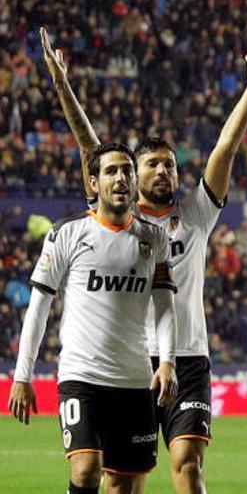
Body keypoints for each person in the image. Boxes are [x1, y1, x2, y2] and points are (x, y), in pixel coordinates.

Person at [40, 25, 247, 493]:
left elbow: (225, 148)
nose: (164, 170)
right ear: (133, 172)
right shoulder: (121, 219)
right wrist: (63, 85)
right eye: (152, 163)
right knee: (121, 482)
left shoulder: (196, 214)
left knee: (188, 464)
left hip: (188, 359)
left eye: (170, 163)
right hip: (129, 363)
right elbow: (91, 148)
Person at [8, 143, 178, 494]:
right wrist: (22, 375)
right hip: (81, 376)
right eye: (111, 171)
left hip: (134, 380)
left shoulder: (155, 239)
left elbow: (164, 306)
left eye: (127, 171)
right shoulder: (67, 234)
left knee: (124, 483)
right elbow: (39, 307)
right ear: (94, 182)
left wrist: (168, 362)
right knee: (86, 469)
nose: (121, 178)